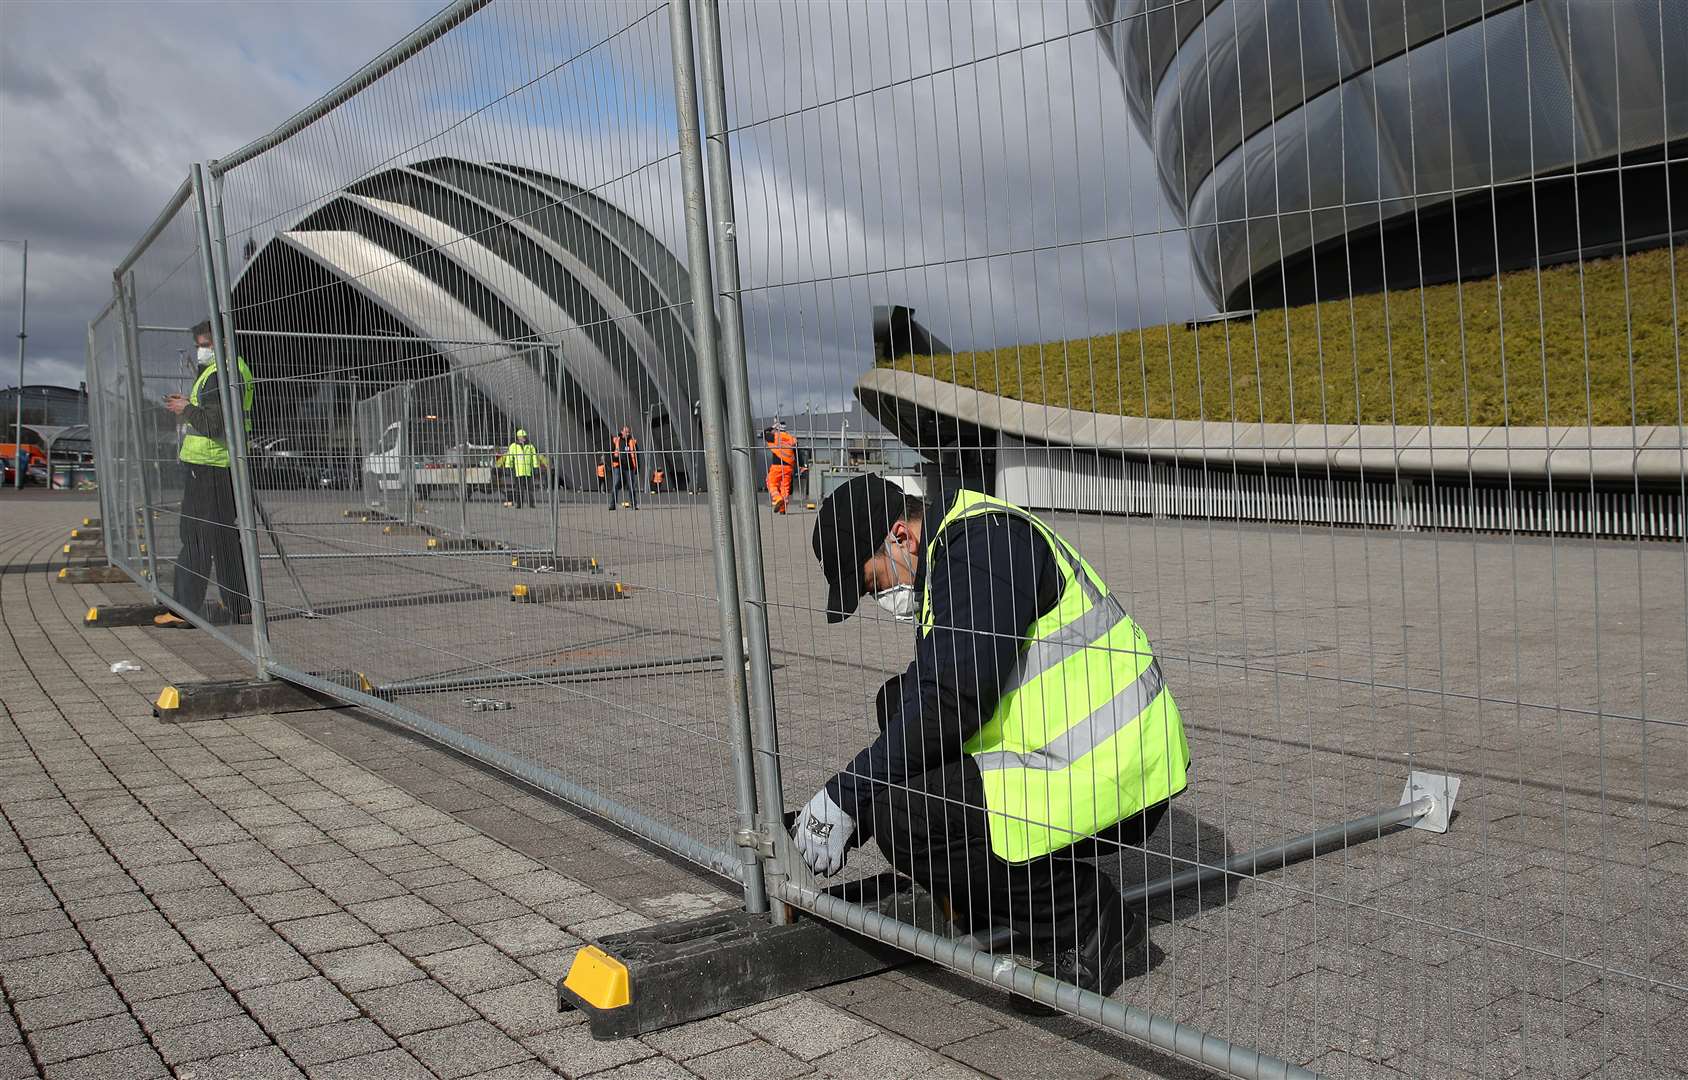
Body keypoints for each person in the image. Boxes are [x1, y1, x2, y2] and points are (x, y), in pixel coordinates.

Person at [799, 474, 1190, 1002]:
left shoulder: (983, 550)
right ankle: (993, 900)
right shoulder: (949, 554)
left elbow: (950, 706)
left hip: (1113, 765)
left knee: (904, 818)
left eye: (872, 583)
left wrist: (851, 796)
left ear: (900, 537)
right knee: (895, 707)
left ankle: (1088, 921)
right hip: (1069, 751)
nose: (878, 599)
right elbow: (923, 696)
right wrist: (841, 811)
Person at [155, 321, 255, 629]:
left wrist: (185, 408)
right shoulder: (230, 371)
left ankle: (183, 609)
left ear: (221, 343)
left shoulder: (221, 375)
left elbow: (213, 424)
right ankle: (240, 607)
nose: (201, 351)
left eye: (204, 344)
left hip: (209, 467)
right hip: (221, 466)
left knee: (196, 538)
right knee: (223, 537)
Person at [499, 429, 544, 508]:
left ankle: (531, 504)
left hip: (528, 471)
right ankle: (519, 504)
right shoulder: (513, 446)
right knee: (519, 488)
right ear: (518, 437)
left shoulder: (530, 446)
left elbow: (534, 457)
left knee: (529, 488)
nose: (523, 438)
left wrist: (535, 467)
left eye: (524, 437)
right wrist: (508, 466)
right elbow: (509, 456)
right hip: (518, 471)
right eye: (521, 437)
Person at [764, 419, 799, 514]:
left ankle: (778, 498)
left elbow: (763, 434)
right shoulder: (792, 439)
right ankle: (783, 510)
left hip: (777, 466)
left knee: (771, 482)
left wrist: (772, 427)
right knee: (785, 487)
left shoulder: (774, 436)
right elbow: (797, 454)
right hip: (788, 467)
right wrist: (798, 466)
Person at [607, 425, 639, 510]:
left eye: (628, 432)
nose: (627, 434)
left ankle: (634, 504)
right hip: (617, 466)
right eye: (626, 432)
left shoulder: (633, 441)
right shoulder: (616, 440)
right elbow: (610, 453)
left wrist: (637, 468)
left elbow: (637, 455)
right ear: (622, 432)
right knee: (615, 484)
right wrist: (611, 465)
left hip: (629, 467)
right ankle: (612, 504)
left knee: (631, 486)